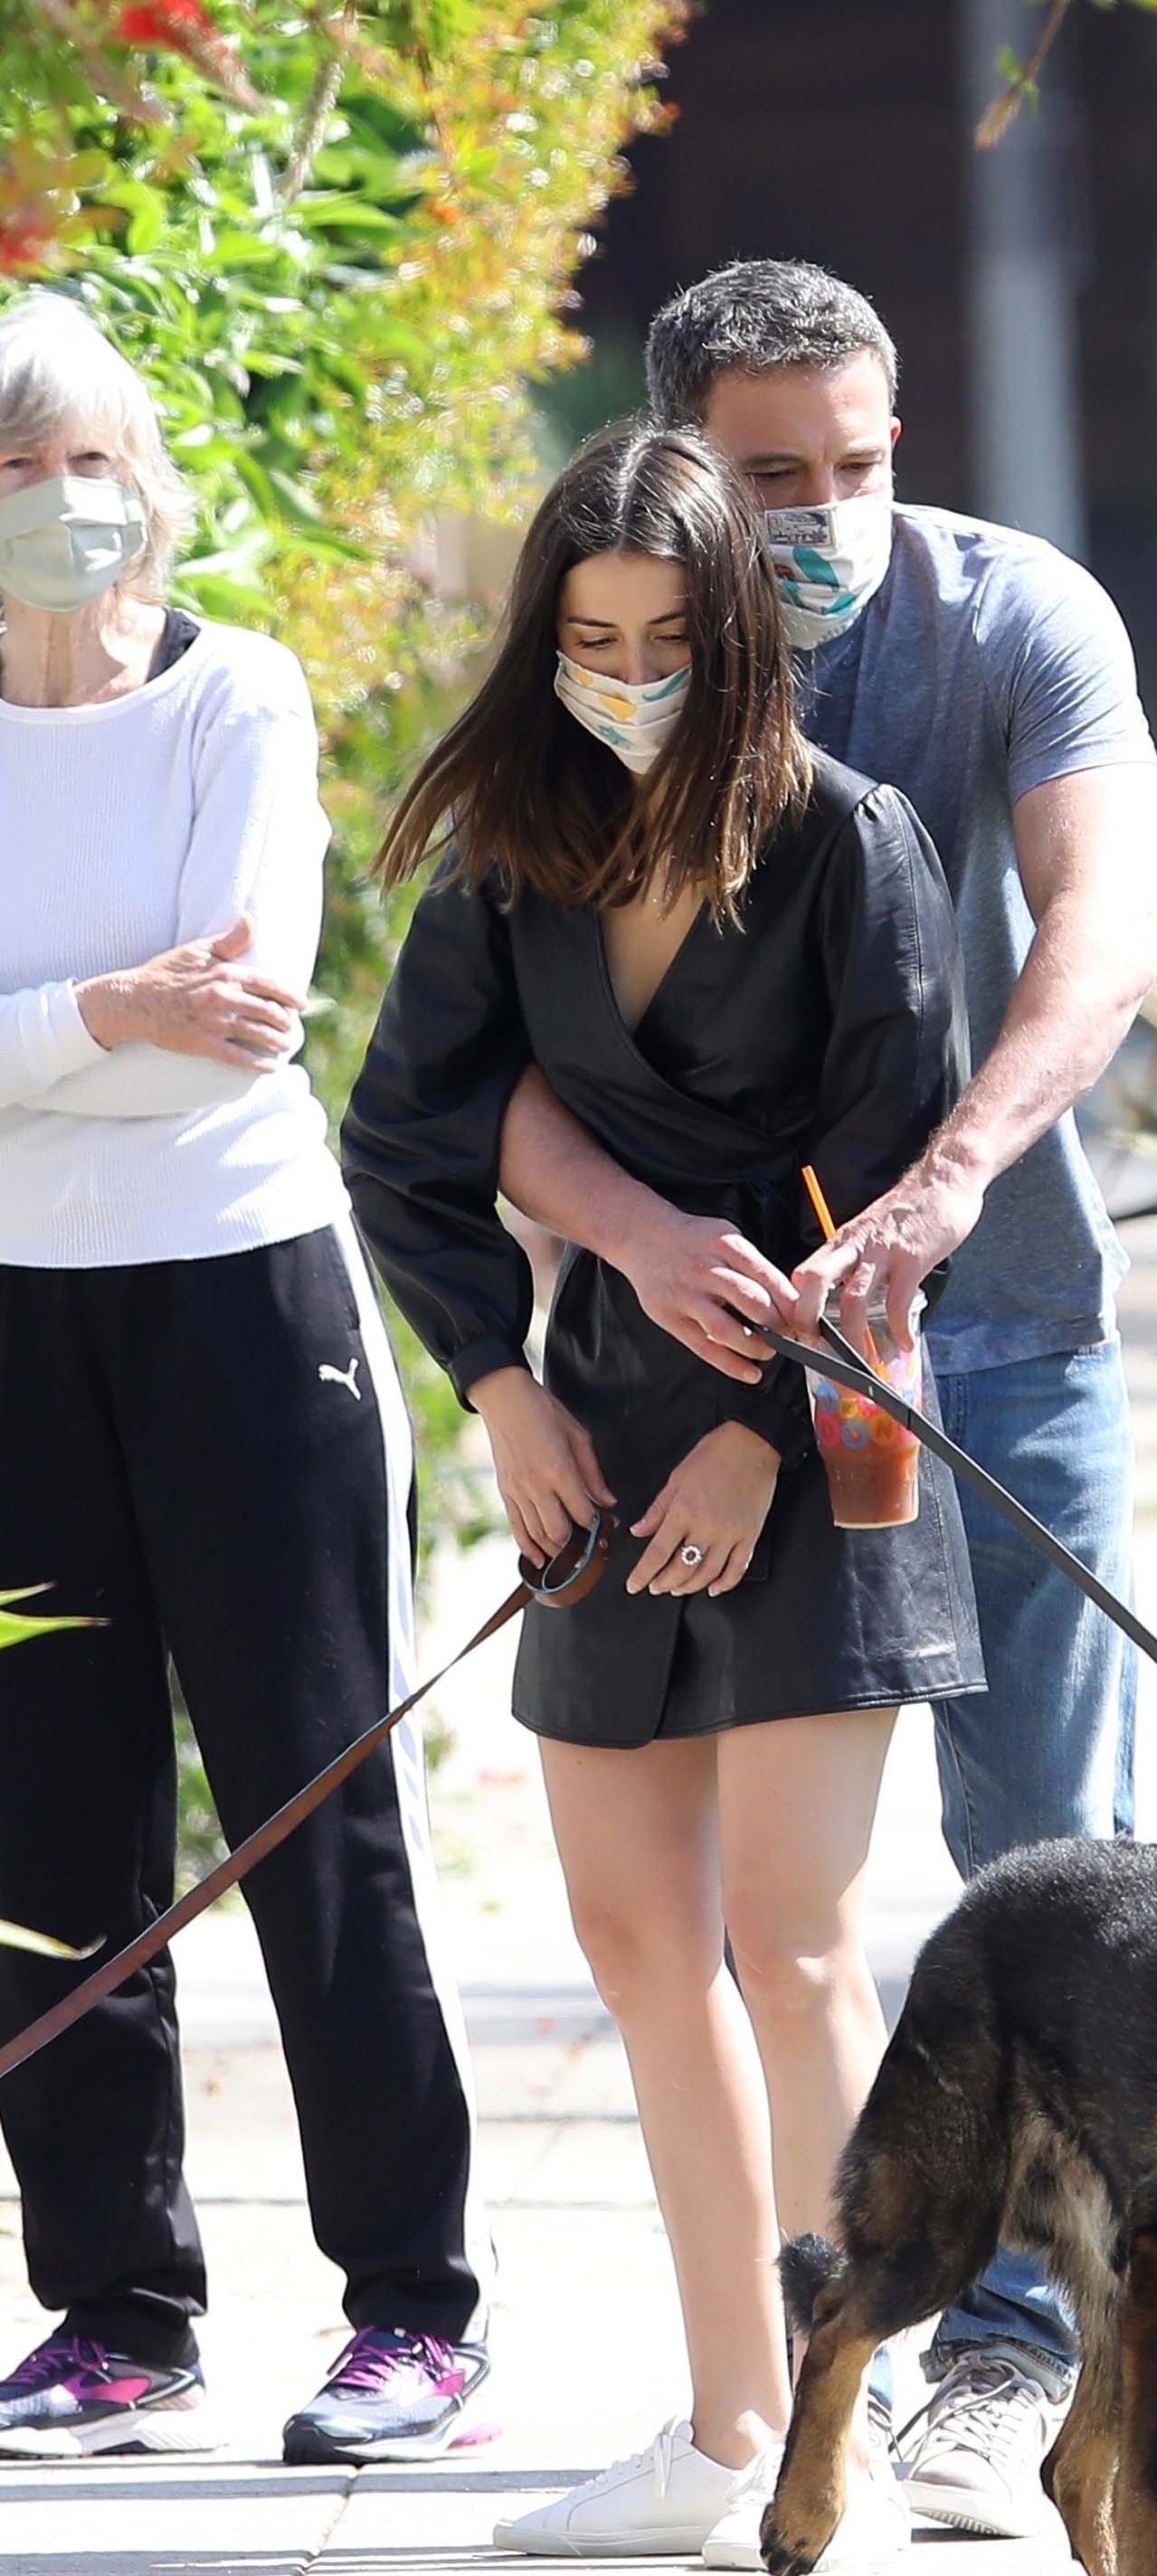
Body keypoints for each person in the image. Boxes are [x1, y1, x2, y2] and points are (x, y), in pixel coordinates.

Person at [491, 260, 1157, 2538]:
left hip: (993, 1326)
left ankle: (1022, 2357)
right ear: (684, 462)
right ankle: (819, 2371)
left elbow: (1104, 919)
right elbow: (474, 1050)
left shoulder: (1011, 621)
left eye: (862, 463)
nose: (828, 514)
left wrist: (950, 1186)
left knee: (1050, 1861)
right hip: (717, 1364)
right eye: (773, 476)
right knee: (787, 1911)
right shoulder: (621, 655)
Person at [342, 420, 983, 2565]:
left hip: (830, 1437)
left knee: (792, 1940)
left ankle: (840, 2431)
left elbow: (900, 1191)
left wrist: (759, 1429)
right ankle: (720, 2430)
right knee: (637, 1939)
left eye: (666, 639)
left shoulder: (851, 843)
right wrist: (502, 1391)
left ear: (738, 644)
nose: (625, 673)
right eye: (590, 636)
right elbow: (407, 1137)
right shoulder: (513, 859)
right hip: (596, 1440)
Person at [0, 293, 492, 2465]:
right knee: (43, 1820)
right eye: (13, 472)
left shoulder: (243, 698)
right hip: (17, 1319)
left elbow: (257, 997)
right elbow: (163, 1005)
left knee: (315, 1796)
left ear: (152, 481)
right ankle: (116, 2306)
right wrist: (114, 1005)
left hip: (243, 1301)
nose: (59, 507)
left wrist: (44, 1028)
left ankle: (414, 2307)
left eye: (87, 458)